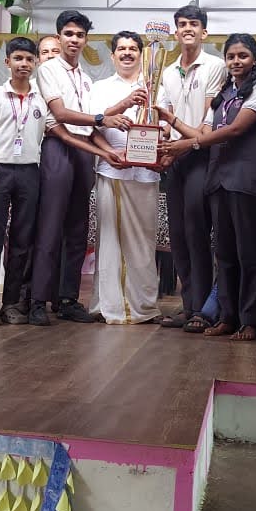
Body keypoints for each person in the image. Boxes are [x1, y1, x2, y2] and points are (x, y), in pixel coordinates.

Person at [161, 34, 256, 342]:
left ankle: (250, 321)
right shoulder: (224, 94)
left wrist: (188, 144)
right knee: (224, 253)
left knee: (249, 253)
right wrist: (172, 122)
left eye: (242, 56)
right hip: (218, 180)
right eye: (231, 56)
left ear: (255, 59)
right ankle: (227, 316)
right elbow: (204, 132)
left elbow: (235, 129)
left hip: (245, 181)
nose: (236, 61)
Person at [31, 10, 128, 326]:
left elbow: (91, 126)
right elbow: (61, 114)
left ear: (86, 40)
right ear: (59, 37)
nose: (74, 40)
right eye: (69, 34)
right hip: (58, 148)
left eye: (80, 35)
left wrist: (109, 151)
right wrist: (102, 119)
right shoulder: (48, 69)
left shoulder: (86, 80)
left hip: (84, 153)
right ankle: (38, 300)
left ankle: (68, 299)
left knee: (77, 227)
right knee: (50, 225)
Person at [157, 5, 227, 329]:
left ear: (204, 32)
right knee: (178, 234)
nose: (188, 28)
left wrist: (180, 141)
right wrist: (159, 146)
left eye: (194, 24)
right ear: (176, 31)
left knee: (197, 231)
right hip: (174, 158)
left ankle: (203, 309)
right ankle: (188, 306)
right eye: (182, 24)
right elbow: (162, 118)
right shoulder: (168, 71)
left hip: (201, 156)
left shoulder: (215, 66)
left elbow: (205, 128)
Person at [88, 31, 160, 324]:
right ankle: (112, 306)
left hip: (147, 173)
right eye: (121, 49)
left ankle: (143, 306)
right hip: (113, 170)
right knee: (111, 241)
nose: (127, 53)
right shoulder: (100, 87)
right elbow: (92, 126)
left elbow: (165, 123)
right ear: (112, 55)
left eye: (133, 49)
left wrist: (163, 137)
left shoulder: (155, 85)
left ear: (142, 54)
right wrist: (109, 153)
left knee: (144, 242)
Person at [0, 37, 47, 326]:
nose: (23, 64)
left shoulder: (41, 99)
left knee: (21, 241)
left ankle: (11, 304)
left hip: (29, 172)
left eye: (29, 59)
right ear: (7, 62)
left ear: (36, 63)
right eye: (18, 58)